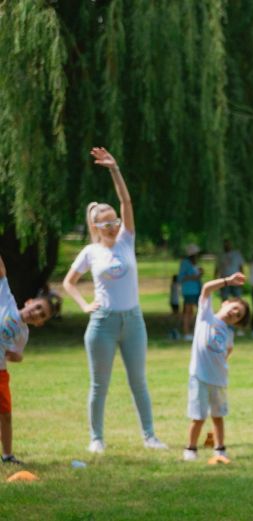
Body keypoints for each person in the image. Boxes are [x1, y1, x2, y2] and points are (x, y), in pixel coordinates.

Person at [62, 147, 168, 454]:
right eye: (106, 223)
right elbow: (69, 283)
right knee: (100, 386)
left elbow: (126, 201)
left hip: (133, 321)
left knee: (139, 382)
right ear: (96, 227)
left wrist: (114, 169)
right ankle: (96, 439)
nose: (113, 226)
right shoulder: (90, 252)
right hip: (103, 324)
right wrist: (84, 305)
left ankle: (150, 437)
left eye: (115, 221)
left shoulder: (127, 240)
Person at [182, 272, 250, 462]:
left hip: (218, 380)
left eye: (239, 316)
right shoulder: (206, 316)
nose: (235, 313)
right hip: (199, 377)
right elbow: (206, 288)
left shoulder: (228, 333)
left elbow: (228, 351)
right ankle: (191, 448)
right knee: (198, 416)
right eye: (235, 308)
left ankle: (219, 449)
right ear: (225, 303)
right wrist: (228, 281)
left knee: (218, 416)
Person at [0, 254, 53, 465]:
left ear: (39, 324)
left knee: (5, 414)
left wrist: (16, 356)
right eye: (37, 307)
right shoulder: (7, 300)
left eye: (41, 315)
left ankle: (8, 455)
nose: (36, 313)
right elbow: (2, 271)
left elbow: (17, 354)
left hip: (0, 372)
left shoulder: (23, 334)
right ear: (29, 302)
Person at [178, 245, 203, 341]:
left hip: (196, 289)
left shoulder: (195, 264)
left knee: (193, 312)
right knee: (187, 311)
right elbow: (181, 278)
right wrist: (193, 277)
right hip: (188, 290)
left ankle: (193, 331)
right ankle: (186, 332)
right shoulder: (185, 263)